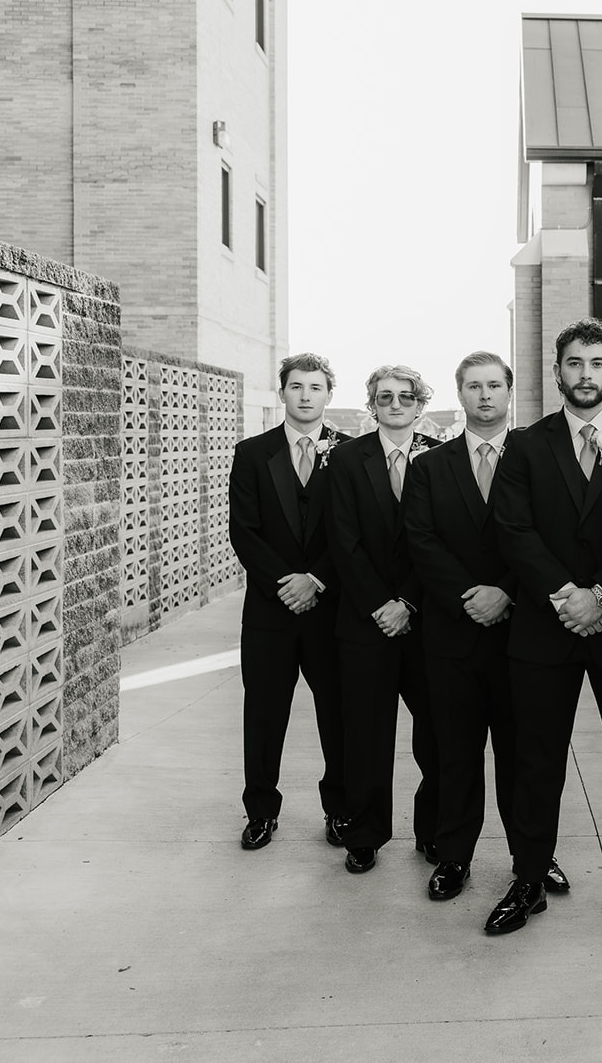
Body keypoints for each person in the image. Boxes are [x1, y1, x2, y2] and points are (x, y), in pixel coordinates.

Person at [485, 319, 602, 937]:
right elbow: (513, 531)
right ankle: (529, 877)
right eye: (573, 363)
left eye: (596, 363)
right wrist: (567, 597)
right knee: (535, 761)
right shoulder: (525, 446)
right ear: (557, 371)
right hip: (543, 627)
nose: (585, 374)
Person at [403, 352, 568, 903]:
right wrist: (467, 597)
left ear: (510, 391)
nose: (485, 395)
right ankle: (453, 857)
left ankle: (533, 860)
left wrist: (509, 592)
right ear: (460, 394)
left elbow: (548, 537)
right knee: (455, 752)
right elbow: (421, 541)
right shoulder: (430, 465)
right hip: (453, 633)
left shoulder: (541, 456)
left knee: (525, 756)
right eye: (473, 386)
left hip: (524, 633)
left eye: (495, 385)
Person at [228, 353, 350, 851]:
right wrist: (287, 582)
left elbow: (352, 532)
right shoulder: (252, 453)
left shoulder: (349, 453)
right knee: (263, 712)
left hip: (331, 611)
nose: (305, 395)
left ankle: (340, 810)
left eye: (315, 387)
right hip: (269, 610)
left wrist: (316, 579)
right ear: (282, 393)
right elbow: (244, 531)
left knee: (339, 714)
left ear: (328, 395)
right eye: (296, 386)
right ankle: (260, 811)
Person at [325, 365, 441, 876]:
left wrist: (409, 602)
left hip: (424, 623)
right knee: (366, 735)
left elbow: (442, 541)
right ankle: (365, 834)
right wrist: (381, 605)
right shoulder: (347, 458)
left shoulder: (441, 456)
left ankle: (434, 832)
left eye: (406, 396)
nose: (395, 403)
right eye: (385, 397)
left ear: (420, 404)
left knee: (436, 734)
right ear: (372, 405)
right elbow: (342, 539)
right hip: (365, 621)